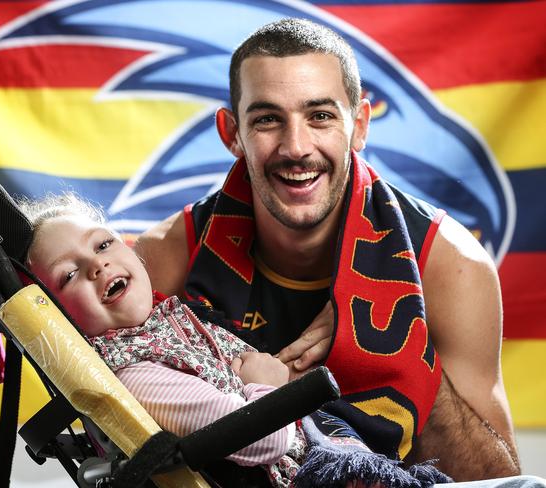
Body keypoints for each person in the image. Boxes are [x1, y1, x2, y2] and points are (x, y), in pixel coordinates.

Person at [135, 18, 520, 482]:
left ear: (358, 126)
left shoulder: (448, 263)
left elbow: (497, 479)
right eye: (267, 120)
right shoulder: (167, 255)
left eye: (320, 116)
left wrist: (396, 342)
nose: (296, 147)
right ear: (231, 133)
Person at [18, 193, 453, 488]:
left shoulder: (171, 322)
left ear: (129, 249)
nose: (97, 265)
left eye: (102, 244)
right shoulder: (135, 375)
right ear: (58, 317)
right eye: (69, 274)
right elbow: (266, 440)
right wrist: (267, 386)